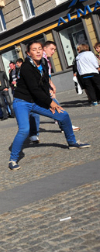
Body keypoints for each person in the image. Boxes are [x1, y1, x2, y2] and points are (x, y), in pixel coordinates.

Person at [9, 42, 90, 170]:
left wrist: (50, 95)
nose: (38, 52)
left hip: (36, 101)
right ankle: (13, 159)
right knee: (24, 130)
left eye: (39, 49)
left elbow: (44, 82)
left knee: (63, 115)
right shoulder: (25, 67)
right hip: (22, 102)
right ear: (28, 53)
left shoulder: (44, 63)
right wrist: (50, 102)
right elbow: (34, 88)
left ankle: (72, 142)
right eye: (34, 50)